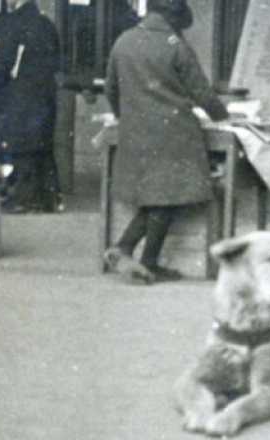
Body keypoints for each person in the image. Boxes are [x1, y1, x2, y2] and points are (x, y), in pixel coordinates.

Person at [103, 0, 229, 284]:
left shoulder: (123, 41)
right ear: (173, 17)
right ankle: (139, 256)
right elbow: (201, 92)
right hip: (174, 133)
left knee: (158, 197)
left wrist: (128, 116)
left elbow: (111, 87)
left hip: (136, 131)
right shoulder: (175, 45)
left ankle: (130, 252)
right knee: (169, 197)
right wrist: (223, 116)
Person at [0, 0, 61, 214]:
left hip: (20, 97)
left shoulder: (12, 25)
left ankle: (23, 199)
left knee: (21, 148)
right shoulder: (47, 25)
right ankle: (48, 199)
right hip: (45, 96)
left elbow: (1, 68)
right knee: (42, 147)